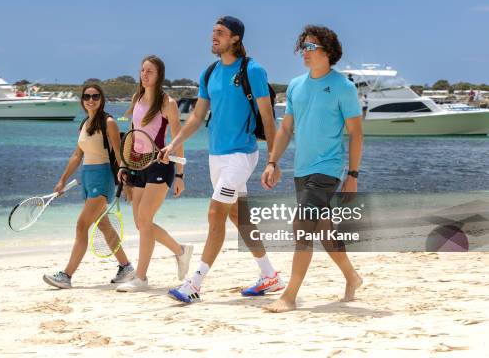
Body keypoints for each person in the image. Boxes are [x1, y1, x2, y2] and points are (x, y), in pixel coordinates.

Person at [161, 16, 285, 304]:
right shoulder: (209, 73)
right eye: (213, 32)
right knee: (236, 215)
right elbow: (196, 117)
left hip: (242, 154)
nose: (213, 37)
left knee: (215, 213)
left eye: (220, 33)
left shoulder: (252, 70)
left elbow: (268, 117)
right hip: (216, 155)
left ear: (235, 39)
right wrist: (174, 144)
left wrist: (273, 161)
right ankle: (269, 275)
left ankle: (195, 283)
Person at [261, 25, 364, 313]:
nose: (304, 53)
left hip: (328, 169)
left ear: (327, 51)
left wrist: (353, 175)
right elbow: (286, 128)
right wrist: (272, 161)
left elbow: (356, 134)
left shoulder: (343, 87)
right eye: (302, 47)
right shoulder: (295, 85)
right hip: (301, 169)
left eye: (310, 47)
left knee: (301, 225)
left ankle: (289, 296)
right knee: (324, 230)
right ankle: (352, 277)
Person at [43, 84, 135, 289]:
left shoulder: (108, 122)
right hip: (87, 176)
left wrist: (126, 182)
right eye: (87, 96)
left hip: (102, 177)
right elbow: (77, 155)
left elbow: (119, 155)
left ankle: (66, 276)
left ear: (101, 99)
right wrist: (62, 180)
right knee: (103, 225)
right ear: (82, 100)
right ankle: (126, 267)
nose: (91, 100)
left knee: (81, 224)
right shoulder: (85, 123)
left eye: (95, 96)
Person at [115, 55, 194, 292]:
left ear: (159, 75)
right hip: (137, 164)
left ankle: (141, 278)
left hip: (160, 163)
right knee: (141, 224)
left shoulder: (167, 102)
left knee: (145, 220)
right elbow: (132, 133)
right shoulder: (136, 98)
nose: (145, 74)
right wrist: (124, 165)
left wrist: (180, 174)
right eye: (142, 71)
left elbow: (177, 138)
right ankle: (180, 251)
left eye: (150, 71)